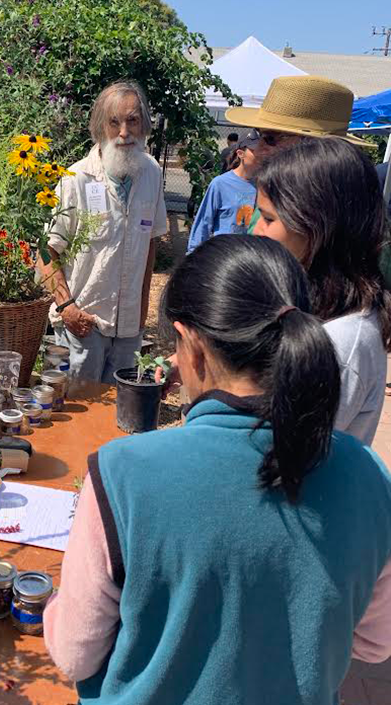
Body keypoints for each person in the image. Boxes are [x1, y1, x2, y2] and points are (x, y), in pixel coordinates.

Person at [44, 235, 391, 705]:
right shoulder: (370, 476)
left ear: (194, 345)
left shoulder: (121, 473)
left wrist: (52, 608)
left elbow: (74, 655)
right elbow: (374, 642)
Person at [253, 137, 390, 444]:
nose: (256, 231)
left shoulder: (341, 346)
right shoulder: (312, 304)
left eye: (268, 219)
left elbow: (277, 453)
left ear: (315, 226)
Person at [39, 81, 167, 383]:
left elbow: (150, 245)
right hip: (83, 326)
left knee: (115, 412)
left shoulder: (151, 174)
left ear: (144, 125)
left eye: (133, 121)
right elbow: (46, 250)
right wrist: (67, 307)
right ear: (100, 127)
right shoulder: (76, 180)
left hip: (129, 330)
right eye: (114, 122)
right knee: (74, 411)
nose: (124, 133)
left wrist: (142, 307)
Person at [225, 75, 373, 233]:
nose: (258, 150)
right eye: (257, 136)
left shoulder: (320, 215)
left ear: (314, 148)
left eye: (270, 138)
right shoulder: (275, 192)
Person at [186, 133, 258, 253]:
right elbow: (204, 221)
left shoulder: (264, 185)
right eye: (254, 151)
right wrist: (192, 256)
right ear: (240, 154)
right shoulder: (220, 183)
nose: (260, 155)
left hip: (249, 259)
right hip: (222, 257)